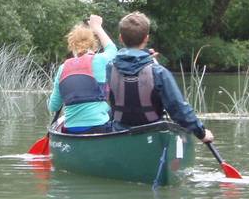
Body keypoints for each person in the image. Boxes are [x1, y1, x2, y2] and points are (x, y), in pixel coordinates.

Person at [106, 12, 215, 144]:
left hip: (119, 135)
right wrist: (201, 133)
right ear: (146, 38)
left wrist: (145, 57)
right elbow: (179, 109)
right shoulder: (158, 72)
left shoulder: (109, 68)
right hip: (152, 136)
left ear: (121, 38)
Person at [47, 14, 117, 134]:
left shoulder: (62, 68)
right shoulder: (100, 60)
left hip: (71, 131)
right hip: (99, 128)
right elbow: (112, 50)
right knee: (113, 113)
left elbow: (53, 107)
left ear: (72, 45)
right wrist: (97, 28)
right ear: (93, 45)